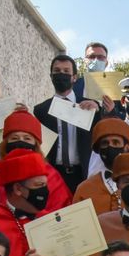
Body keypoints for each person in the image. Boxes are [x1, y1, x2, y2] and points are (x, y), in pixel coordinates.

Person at [35, 52, 98, 191]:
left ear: (74, 77)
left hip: (83, 175)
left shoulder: (89, 107)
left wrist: (99, 111)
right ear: (51, 76)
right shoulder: (41, 110)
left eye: (66, 71)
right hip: (52, 175)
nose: (61, 74)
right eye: (57, 71)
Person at [70, 117, 129, 216]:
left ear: (127, 148)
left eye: (116, 142)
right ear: (98, 149)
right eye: (105, 143)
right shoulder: (85, 189)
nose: (110, 147)